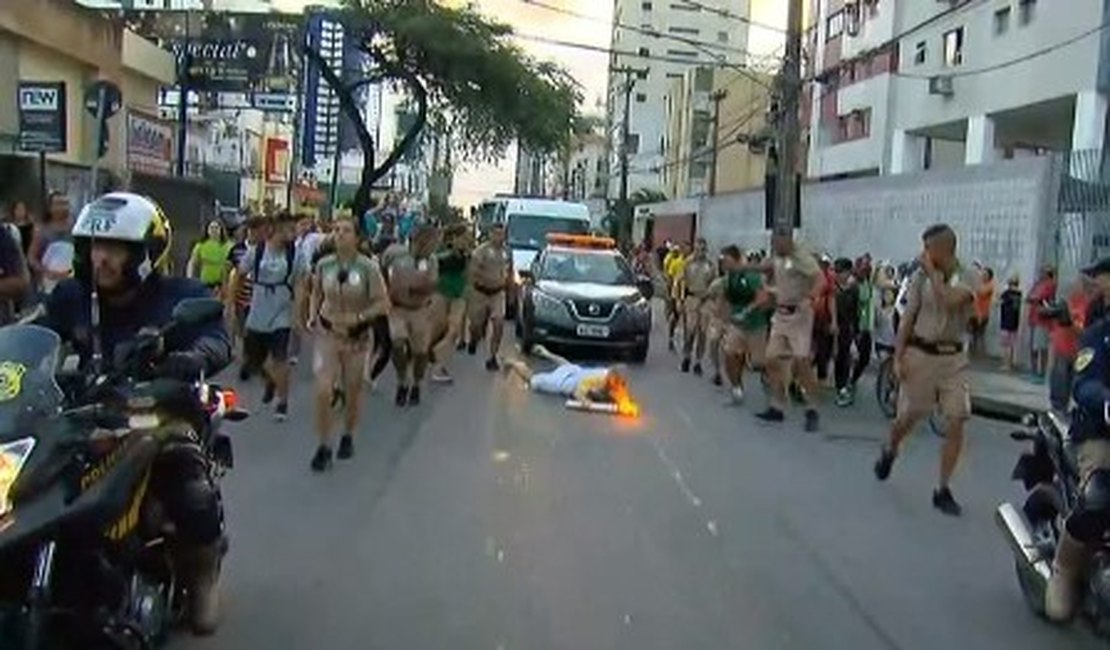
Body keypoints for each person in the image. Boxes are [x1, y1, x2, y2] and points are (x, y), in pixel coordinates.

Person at [41, 192, 232, 635]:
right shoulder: (70, 296)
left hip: (157, 411)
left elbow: (216, 339)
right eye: (93, 246)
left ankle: (202, 581)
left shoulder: (179, 295)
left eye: (115, 248)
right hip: (83, 416)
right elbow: (36, 334)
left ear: (146, 252)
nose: (101, 258)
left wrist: (190, 358)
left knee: (190, 490)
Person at [873, 224, 976, 516]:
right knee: (908, 416)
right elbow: (908, 317)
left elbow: (950, 300)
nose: (924, 254)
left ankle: (943, 489)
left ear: (945, 249)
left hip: (953, 358)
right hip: (922, 354)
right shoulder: (920, 277)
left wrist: (932, 273)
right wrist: (898, 354)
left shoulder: (968, 276)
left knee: (957, 418)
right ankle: (891, 450)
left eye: (929, 249)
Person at [1045, 256, 1110, 621]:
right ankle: (1064, 571)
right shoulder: (1099, 334)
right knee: (1099, 497)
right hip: (1100, 434)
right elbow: (1085, 384)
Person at [304, 215, 388, 471]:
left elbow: (383, 303)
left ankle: (348, 434)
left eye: (346, 230)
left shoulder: (368, 268)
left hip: (356, 337)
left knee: (352, 392)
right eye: (336, 230)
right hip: (329, 333)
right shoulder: (324, 265)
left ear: (357, 237)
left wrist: (360, 317)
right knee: (323, 390)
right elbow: (316, 291)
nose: (339, 234)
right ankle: (323, 446)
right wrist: (312, 314)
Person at [755, 232, 822, 431]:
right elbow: (768, 280)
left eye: (778, 243)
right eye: (773, 243)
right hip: (780, 315)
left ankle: (812, 409)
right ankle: (777, 407)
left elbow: (819, 280)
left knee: (802, 361)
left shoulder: (802, 260)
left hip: (799, 315)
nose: (775, 246)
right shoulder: (776, 260)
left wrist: (811, 298)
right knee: (770, 359)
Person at [235, 213, 299, 421]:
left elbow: (303, 283)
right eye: (289, 229)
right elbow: (240, 274)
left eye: (294, 229)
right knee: (254, 360)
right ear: (276, 229)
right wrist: (233, 302)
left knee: (280, 358)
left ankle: (282, 403)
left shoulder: (294, 254)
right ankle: (270, 381)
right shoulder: (257, 251)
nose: (293, 234)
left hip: (281, 307)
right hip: (258, 307)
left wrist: (300, 312)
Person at [380, 223, 440, 406]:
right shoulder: (394, 254)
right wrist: (388, 290)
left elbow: (432, 284)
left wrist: (414, 288)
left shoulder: (431, 261)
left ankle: (417, 384)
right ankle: (402, 381)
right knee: (397, 343)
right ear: (419, 241)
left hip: (420, 309)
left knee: (420, 353)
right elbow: (381, 271)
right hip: (397, 308)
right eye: (431, 242)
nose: (433, 247)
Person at [719, 246, 771, 404]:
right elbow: (727, 299)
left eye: (727, 261)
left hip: (756, 324)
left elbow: (762, 298)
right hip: (738, 325)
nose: (724, 264)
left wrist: (746, 311)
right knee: (729, 353)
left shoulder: (751, 276)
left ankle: (770, 376)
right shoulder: (728, 278)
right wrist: (724, 320)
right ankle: (736, 389)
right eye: (722, 261)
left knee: (757, 363)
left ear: (736, 260)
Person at [504, 343, 632, 407]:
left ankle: (546, 353)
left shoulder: (613, 377)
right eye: (616, 381)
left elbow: (618, 394)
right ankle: (514, 363)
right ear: (610, 376)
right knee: (533, 381)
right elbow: (578, 392)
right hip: (567, 382)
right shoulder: (597, 379)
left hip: (575, 371)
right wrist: (585, 401)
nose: (619, 384)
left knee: (567, 366)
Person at [466, 222, 511, 371]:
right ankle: (473, 339)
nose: (499, 237)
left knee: (498, 324)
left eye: (502, 234)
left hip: (497, 293)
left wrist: (509, 290)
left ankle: (492, 357)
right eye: (496, 233)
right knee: (476, 326)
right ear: (490, 234)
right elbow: (472, 271)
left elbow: (509, 272)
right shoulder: (481, 251)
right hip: (480, 292)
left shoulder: (506, 252)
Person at [430, 224, 470, 383]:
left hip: (458, 296)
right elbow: (434, 265)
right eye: (464, 237)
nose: (467, 240)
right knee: (436, 330)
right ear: (454, 238)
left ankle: (438, 368)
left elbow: (467, 273)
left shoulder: (467, 254)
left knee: (453, 331)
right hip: (441, 293)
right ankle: (425, 352)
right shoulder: (441, 251)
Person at [677, 238, 717, 375]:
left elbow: (714, 283)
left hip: (705, 301)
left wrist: (712, 298)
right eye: (698, 249)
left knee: (703, 332)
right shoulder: (688, 263)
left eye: (703, 249)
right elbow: (680, 282)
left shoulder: (710, 265)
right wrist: (680, 300)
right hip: (691, 299)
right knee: (690, 330)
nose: (700, 252)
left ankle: (698, 361)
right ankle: (686, 355)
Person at [831, 257, 860, 407]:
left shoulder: (854, 288)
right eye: (836, 271)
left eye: (840, 271)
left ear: (848, 272)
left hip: (845, 327)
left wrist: (856, 331)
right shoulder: (832, 286)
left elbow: (855, 312)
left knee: (842, 358)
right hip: (828, 324)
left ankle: (842, 387)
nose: (837, 274)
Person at [1027, 265, 1057, 382]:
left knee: (1041, 347)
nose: (1040, 274)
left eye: (1043, 272)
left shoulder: (1050, 284)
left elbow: (1039, 297)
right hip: (1033, 317)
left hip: (1043, 320)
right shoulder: (1038, 284)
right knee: (1033, 347)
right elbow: (1029, 296)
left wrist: (1034, 297)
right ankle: (1033, 370)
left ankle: (1042, 372)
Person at [187, 220, 233, 295]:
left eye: (216, 227)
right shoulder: (201, 245)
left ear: (221, 230)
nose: (214, 230)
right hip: (206, 283)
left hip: (224, 284)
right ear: (207, 230)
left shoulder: (229, 246)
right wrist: (190, 278)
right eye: (211, 228)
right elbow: (192, 263)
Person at [970, 266, 995, 357]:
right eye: (983, 274)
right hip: (974, 312)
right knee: (973, 334)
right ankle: (972, 352)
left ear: (989, 276)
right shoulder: (980, 284)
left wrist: (974, 285)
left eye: (985, 274)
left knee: (980, 334)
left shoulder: (990, 285)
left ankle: (981, 354)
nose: (983, 276)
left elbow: (981, 292)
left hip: (983, 313)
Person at [999, 275, 1022, 371]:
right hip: (1015, 322)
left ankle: (1006, 364)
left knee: (1005, 345)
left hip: (1005, 321)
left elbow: (999, 301)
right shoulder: (1019, 294)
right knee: (1012, 345)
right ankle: (1010, 363)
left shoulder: (1007, 293)